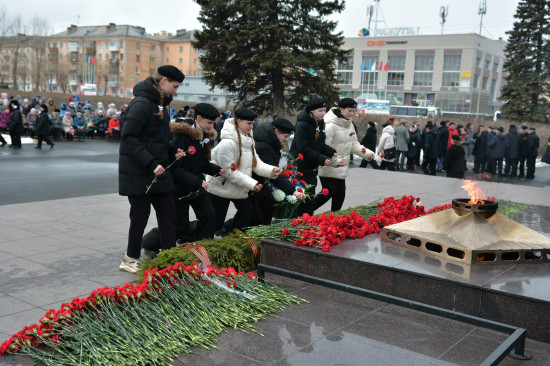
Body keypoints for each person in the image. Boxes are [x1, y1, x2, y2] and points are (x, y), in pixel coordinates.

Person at [118, 65, 186, 273]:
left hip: (158, 172)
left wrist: (174, 149)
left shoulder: (160, 105)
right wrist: (150, 163)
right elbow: (128, 139)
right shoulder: (141, 104)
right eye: (174, 86)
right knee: (140, 216)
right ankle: (130, 259)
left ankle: (168, 254)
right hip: (139, 172)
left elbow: (160, 139)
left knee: (168, 212)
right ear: (163, 81)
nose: (176, 91)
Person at [207, 108, 281, 235]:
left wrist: (271, 170)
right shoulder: (227, 143)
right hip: (221, 186)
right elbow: (229, 173)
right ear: (239, 121)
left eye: (253, 123)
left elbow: (256, 163)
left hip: (237, 185)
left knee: (248, 211)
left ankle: (234, 237)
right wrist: (252, 184)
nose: (252, 127)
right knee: (214, 225)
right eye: (249, 123)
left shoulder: (248, 139)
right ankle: (185, 235)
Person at [169, 103, 224, 243]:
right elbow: (175, 168)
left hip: (196, 186)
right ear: (198, 117)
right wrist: (198, 181)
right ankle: (149, 242)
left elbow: (203, 163)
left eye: (213, 123)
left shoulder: (204, 136)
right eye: (209, 123)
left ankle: (203, 247)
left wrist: (217, 170)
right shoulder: (182, 136)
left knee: (209, 215)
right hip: (180, 188)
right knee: (179, 227)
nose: (211, 127)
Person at [311, 98, 374, 213]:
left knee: (340, 195)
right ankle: (302, 213)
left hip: (341, 167)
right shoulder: (329, 125)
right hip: (329, 165)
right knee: (328, 192)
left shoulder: (349, 124)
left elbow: (354, 144)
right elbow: (323, 147)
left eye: (353, 111)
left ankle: (334, 220)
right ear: (341, 109)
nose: (351, 114)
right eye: (349, 111)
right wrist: (335, 161)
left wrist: (367, 154)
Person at [251, 117, 306, 225]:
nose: (287, 139)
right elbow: (272, 173)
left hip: (261, 180)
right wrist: (293, 191)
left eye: (289, 136)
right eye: (285, 136)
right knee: (254, 215)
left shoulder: (271, 141)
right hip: (253, 181)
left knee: (268, 204)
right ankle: (232, 230)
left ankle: (264, 231)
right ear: (276, 131)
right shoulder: (263, 146)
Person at [289, 97, 337, 216]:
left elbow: (319, 144)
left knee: (309, 195)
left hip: (311, 165)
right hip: (301, 165)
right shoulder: (303, 124)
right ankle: (300, 220)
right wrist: (321, 159)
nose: (323, 113)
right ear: (312, 111)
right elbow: (303, 148)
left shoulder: (318, 122)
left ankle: (304, 218)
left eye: (324, 110)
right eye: (320, 111)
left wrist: (331, 152)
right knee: (305, 196)